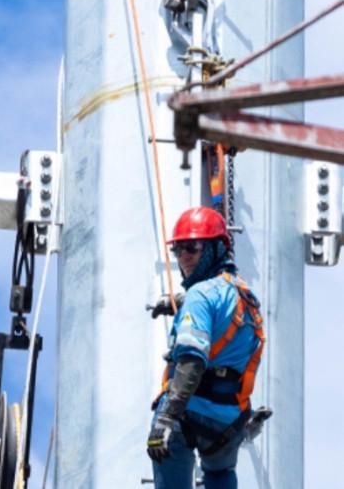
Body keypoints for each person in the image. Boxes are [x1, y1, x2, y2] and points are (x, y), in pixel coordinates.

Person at [147, 207, 265, 489]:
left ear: (215, 248)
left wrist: (167, 417)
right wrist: (181, 300)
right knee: (221, 473)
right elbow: (221, 311)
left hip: (187, 411)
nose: (184, 257)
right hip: (227, 423)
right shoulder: (246, 296)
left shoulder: (200, 296)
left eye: (193, 247)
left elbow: (192, 360)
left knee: (167, 456)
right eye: (178, 250)